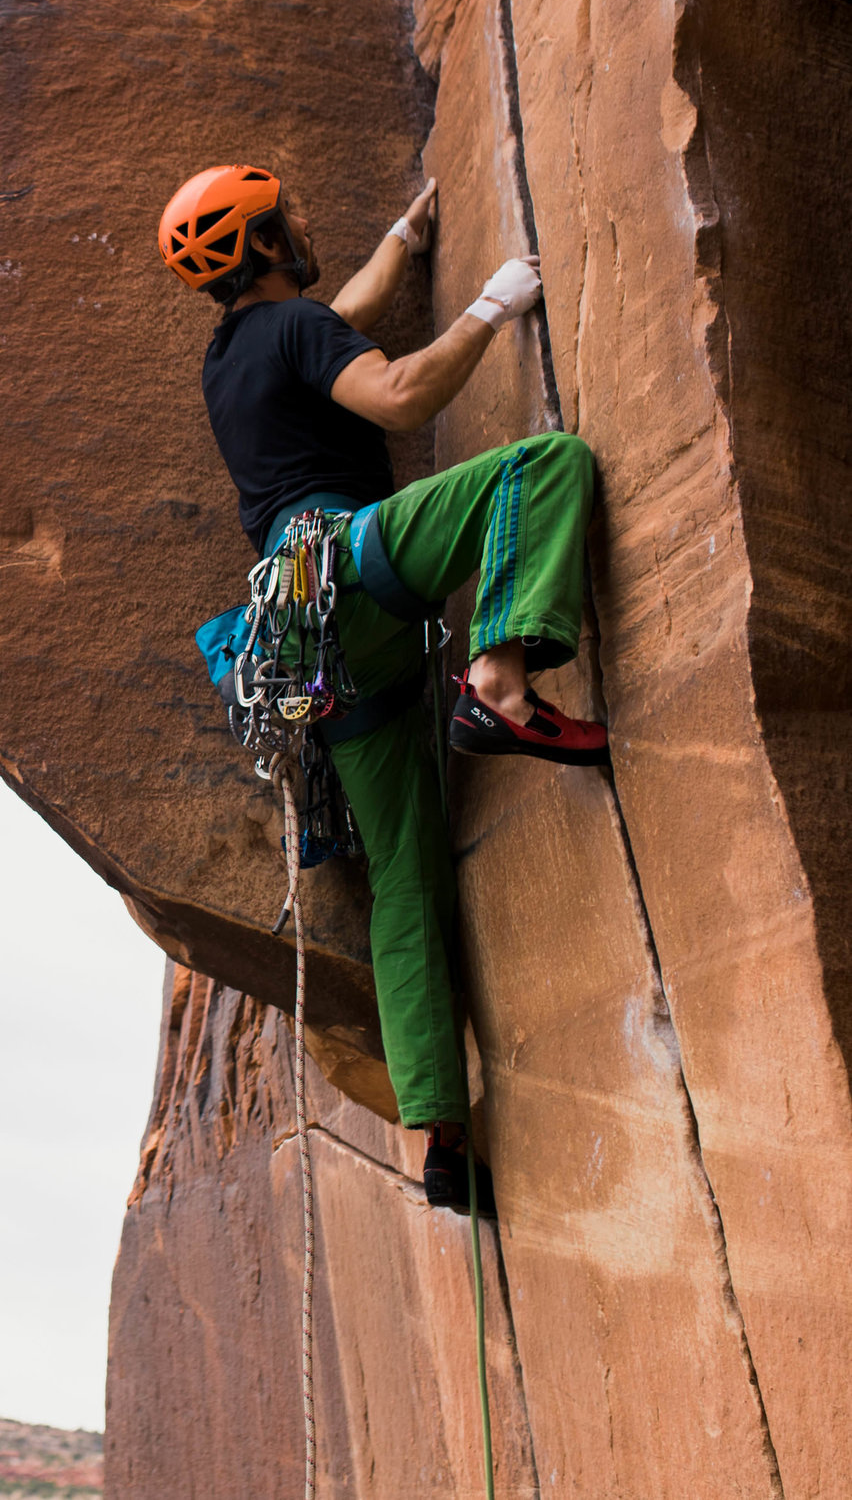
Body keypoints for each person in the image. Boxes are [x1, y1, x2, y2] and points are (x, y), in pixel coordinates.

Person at [159, 162, 608, 1216]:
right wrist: (492, 305)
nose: (304, 224)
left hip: (309, 649)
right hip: (350, 569)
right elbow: (394, 388)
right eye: (290, 219)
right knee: (538, 468)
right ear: (263, 245)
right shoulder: (295, 332)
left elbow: (339, 317)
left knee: (405, 883)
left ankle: (433, 1133)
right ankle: (498, 677)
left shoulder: (234, 354)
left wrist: (403, 239)